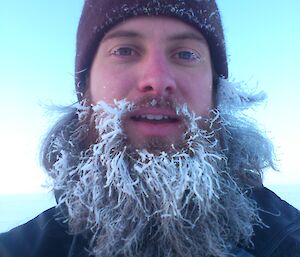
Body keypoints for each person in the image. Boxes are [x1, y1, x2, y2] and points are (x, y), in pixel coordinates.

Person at [1, 0, 300, 256]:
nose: (157, 79)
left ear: (216, 92)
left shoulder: (287, 241)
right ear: (85, 91)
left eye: (186, 54)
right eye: (124, 50)